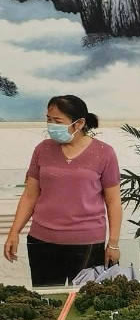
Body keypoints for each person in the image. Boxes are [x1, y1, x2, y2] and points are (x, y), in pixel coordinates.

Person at [4, 95, 121, 286]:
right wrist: (14, 232)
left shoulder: (104, 153)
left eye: (57, 121)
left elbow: (113, 201)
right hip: (42, 241)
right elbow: (29, 196)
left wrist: (113, 243)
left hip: (87, 244)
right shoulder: (42, 150)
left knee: (84, 300)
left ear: (79, 123)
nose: (51, 126)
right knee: (48, 300)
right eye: (48, 120)